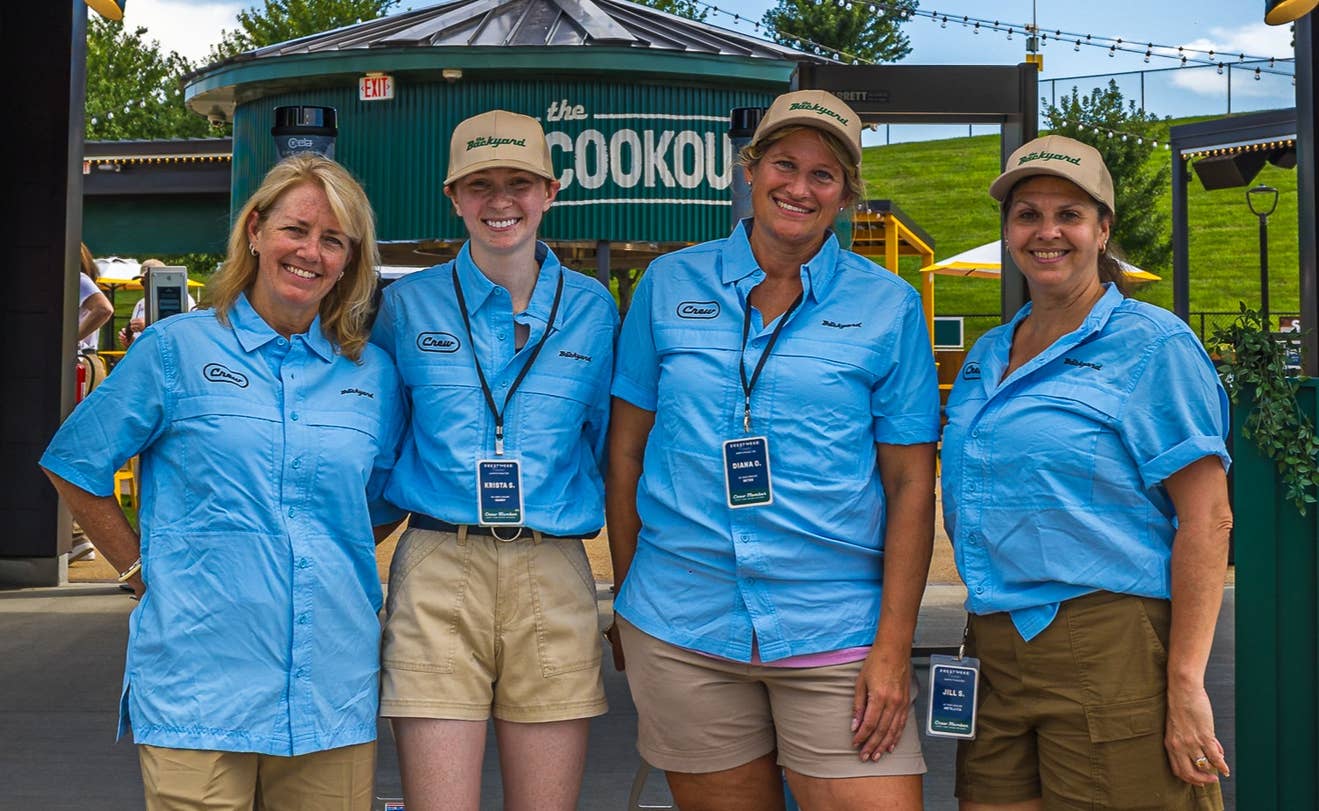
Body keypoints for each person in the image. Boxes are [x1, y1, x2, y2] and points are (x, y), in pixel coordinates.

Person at [606, 90, 941, 811]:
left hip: (835, 628)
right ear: (750, 169)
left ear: (847, 194)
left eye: (824, 175)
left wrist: (892, 645)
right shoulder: (669, 284)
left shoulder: (889, 305)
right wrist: (631, 596)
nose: (799, 186)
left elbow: (911, 482)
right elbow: (626, 451)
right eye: (783, 164)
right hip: (681, 622)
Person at [40, 154, 405, 811]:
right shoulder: (175, 349)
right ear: (256, 229)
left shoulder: (373, 375)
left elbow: (375, 505)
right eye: (296, 229)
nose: (310, 252)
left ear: (350, 260)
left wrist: (313, 554)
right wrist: (138, 569)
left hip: (330, 684)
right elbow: (75, 462)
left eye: (333, 240)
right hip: (199, 684)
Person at [941, 134, 1232, 810]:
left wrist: (1185, 683)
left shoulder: (1151, 344)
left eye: (1068, 214)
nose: (1046, 232)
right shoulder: (988, 353)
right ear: (1008, 232)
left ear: (1102, 229)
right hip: (990, 641)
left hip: (1108, 642)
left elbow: (1207, 515)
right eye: (1026, 214)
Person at [371, 110, 616, 811]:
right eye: (480, 184)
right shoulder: (406, 307)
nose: (500, 201)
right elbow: (377, 446)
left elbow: (608, 451)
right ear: (453, 196)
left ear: (550, 190)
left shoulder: (595, 312)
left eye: (518, 182)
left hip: (554, 568)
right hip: (438, 564)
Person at [118, 258, 198, 348]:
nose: (145, 286)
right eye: (143, 282)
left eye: (149, 281)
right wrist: (131, 342)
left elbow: (183, 332)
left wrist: (148, 327)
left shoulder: (182, 298)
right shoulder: (141, 303)